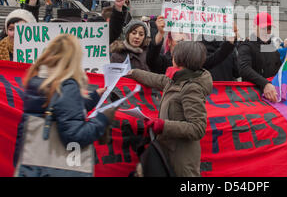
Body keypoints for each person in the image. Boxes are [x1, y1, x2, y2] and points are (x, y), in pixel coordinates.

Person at [14, 34, 116, 177]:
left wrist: (93, 98)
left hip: (31, 165)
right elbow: (74, 136)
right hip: (58, 170)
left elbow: (59, 111)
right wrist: (102, 119)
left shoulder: (38, 81)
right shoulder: (66, 85)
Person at [129, 41, 212, 177]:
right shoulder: (176, 79)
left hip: (182, 160)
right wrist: (132, 72)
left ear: (180, 59)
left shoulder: (192, 87)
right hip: (167, 151)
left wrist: (163, 125)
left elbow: (198, 128)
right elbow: (157, 80)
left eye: (174, 55)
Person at [147, 16, 235, 75]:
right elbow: (151, 58)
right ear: (169, 42)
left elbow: (216, 58)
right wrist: (160, 33)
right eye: (179, 41)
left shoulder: (193, 63)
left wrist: (230, 38)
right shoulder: (164, 62)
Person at [238, 12, 282, 102]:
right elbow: (244, 69)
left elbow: (279, 70)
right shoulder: (246, 46)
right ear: (255, 27)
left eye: (269, 28)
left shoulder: (272, 48)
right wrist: (265, 83)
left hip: (272, 96)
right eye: (264, 28)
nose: (267, 31)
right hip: (251, 98)